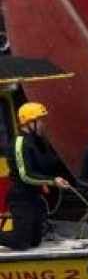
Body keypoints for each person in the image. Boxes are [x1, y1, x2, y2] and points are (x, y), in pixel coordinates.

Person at [0, 102, 70, 250]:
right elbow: (26, 175)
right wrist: (53, 181)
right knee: (21, 241)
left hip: (34, 198)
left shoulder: (38, 142)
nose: (43, 125)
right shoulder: (20, 143)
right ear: (29, 122)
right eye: (41, 120)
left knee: (35, 241)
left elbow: (48, 164)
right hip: (21, 198)